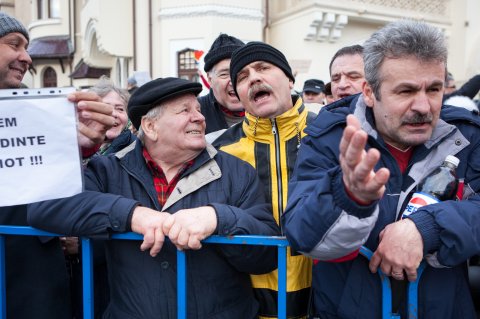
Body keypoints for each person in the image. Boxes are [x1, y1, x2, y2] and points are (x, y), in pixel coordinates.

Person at [28, 77, 280, 319]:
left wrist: (217, 218)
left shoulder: (236, 171)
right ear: (150, 127)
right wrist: (133, 215)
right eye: (184, 111)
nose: (200, 117)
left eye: (198, 109)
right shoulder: (108, 170)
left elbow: (265, 256)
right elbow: (45, 208)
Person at [283, 19, 480, 318]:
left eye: (435, 89)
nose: (424, 106)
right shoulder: (328, 137)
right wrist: (349, 197)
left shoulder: (467, 136)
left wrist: (427, 228)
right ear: (369, 92)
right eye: (406, 91)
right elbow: (302, 234)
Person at [0, 11, 115, 319]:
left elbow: (52, 183)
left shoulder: (40, 112)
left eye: (27, 47)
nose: (27, 58)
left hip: (32, 272)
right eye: (14, 44)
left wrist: (83, 143)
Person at [213, 42, 312, 319]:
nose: (253, 77)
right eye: (242, 77)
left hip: (323, 300)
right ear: (240, 95)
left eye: (263, 68)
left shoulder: (326, 133)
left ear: (290, 78)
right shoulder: (219, 150)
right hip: (246, 303)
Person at [199, 33, 245, 134]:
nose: (233, 82)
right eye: (224, 74)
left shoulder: (268, 110)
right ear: (210, 79)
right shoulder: (196, 114)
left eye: (240, 72)